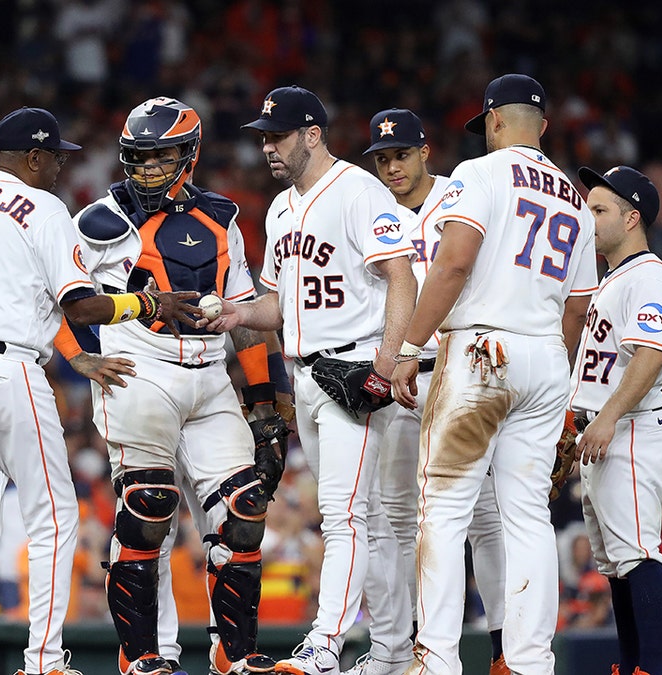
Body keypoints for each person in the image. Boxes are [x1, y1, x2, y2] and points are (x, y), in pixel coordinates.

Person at [0, 107, 200, 675]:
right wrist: (147, 303)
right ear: (32, 157)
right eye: (56, 156)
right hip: (6, 371)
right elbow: (80, 304)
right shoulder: (42, 206)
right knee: (55, 518)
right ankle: (44, 663)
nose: (60, 166)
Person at [65, 96, 289, 675]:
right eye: (139, 157)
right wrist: (79, 359)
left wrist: (264, 401)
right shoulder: (99, 220)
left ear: (189, 155)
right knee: (148, 507)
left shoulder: (222, 218)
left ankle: (232, 654)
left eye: (161, 155)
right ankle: (142, 656)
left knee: (244, 509)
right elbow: (61, 301)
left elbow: (243, 313)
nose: (147, 168)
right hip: (139, 365)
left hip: (211, 373)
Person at [389, 74, 596, 675]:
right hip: (546, 354)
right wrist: (549, 366)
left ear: (494, 123)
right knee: (527, 517)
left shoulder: (478, 175)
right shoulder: (576, 201)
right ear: (544, 130)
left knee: (446, 509)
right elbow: (579, 307)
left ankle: (437, 658)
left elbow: (452, 264)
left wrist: (409, 346)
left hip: (482, 349)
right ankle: (531, 662)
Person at [210, 85, 419, 675]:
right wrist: (239, 315)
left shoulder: (358, 190)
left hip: (354, 367)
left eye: (277, 136)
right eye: (263, 137)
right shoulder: (281, 207)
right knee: (365, 523)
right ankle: (392, 652)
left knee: (346, 516)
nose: (268, 147)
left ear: (312, 134)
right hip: (307, 375)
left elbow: (402, 277)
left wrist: (385, 360)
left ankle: (326, 641)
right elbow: (279, 303)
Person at [352, 108, 507, 675]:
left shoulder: (462, 195)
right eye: (382, 157)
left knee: (484, 517)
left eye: (400, 154)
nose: (391, 165)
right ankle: (408, 645)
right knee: (395, 514)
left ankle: (502, 646)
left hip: (458, 364)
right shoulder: (370, 211)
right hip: (396, 375)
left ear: (425, 153)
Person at [570, 165, 662, 675]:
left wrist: (606, 419)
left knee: (637, 555)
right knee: (617, 566)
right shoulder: (613, 278)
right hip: (604, 429)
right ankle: (630, 664)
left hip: (630, 428)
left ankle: (648, 669)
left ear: (632, 217)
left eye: (599, 210)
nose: (588, 219)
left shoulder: (650, 275)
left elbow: (650, 356)